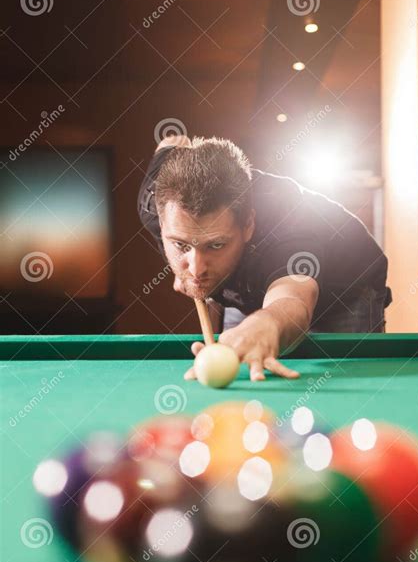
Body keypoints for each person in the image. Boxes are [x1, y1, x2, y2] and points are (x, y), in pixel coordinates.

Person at [138, 135, 391, 381]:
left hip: (345, 290)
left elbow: (293, 299)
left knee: (347, 385)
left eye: (215, 245)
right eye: (181, 245)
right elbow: (169, 143)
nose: (196, 268)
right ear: (161, 223)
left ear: (248, 224)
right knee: (248, 357)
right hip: (251, 282)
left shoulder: (289, 226)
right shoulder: (153, 201)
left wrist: (266, 322)